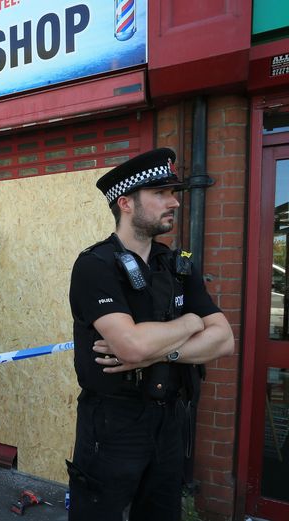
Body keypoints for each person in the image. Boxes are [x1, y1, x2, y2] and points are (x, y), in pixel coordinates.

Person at [66, 148, 234, 521]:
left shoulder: (177, 265)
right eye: (161, 193)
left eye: (173, 193)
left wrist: (162, 352)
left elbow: (224, 339)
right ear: (125, 203)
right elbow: (131, 344)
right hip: (113, 425)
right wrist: (191, 323)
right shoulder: (95, 266)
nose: (173, 202)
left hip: (169, 420)